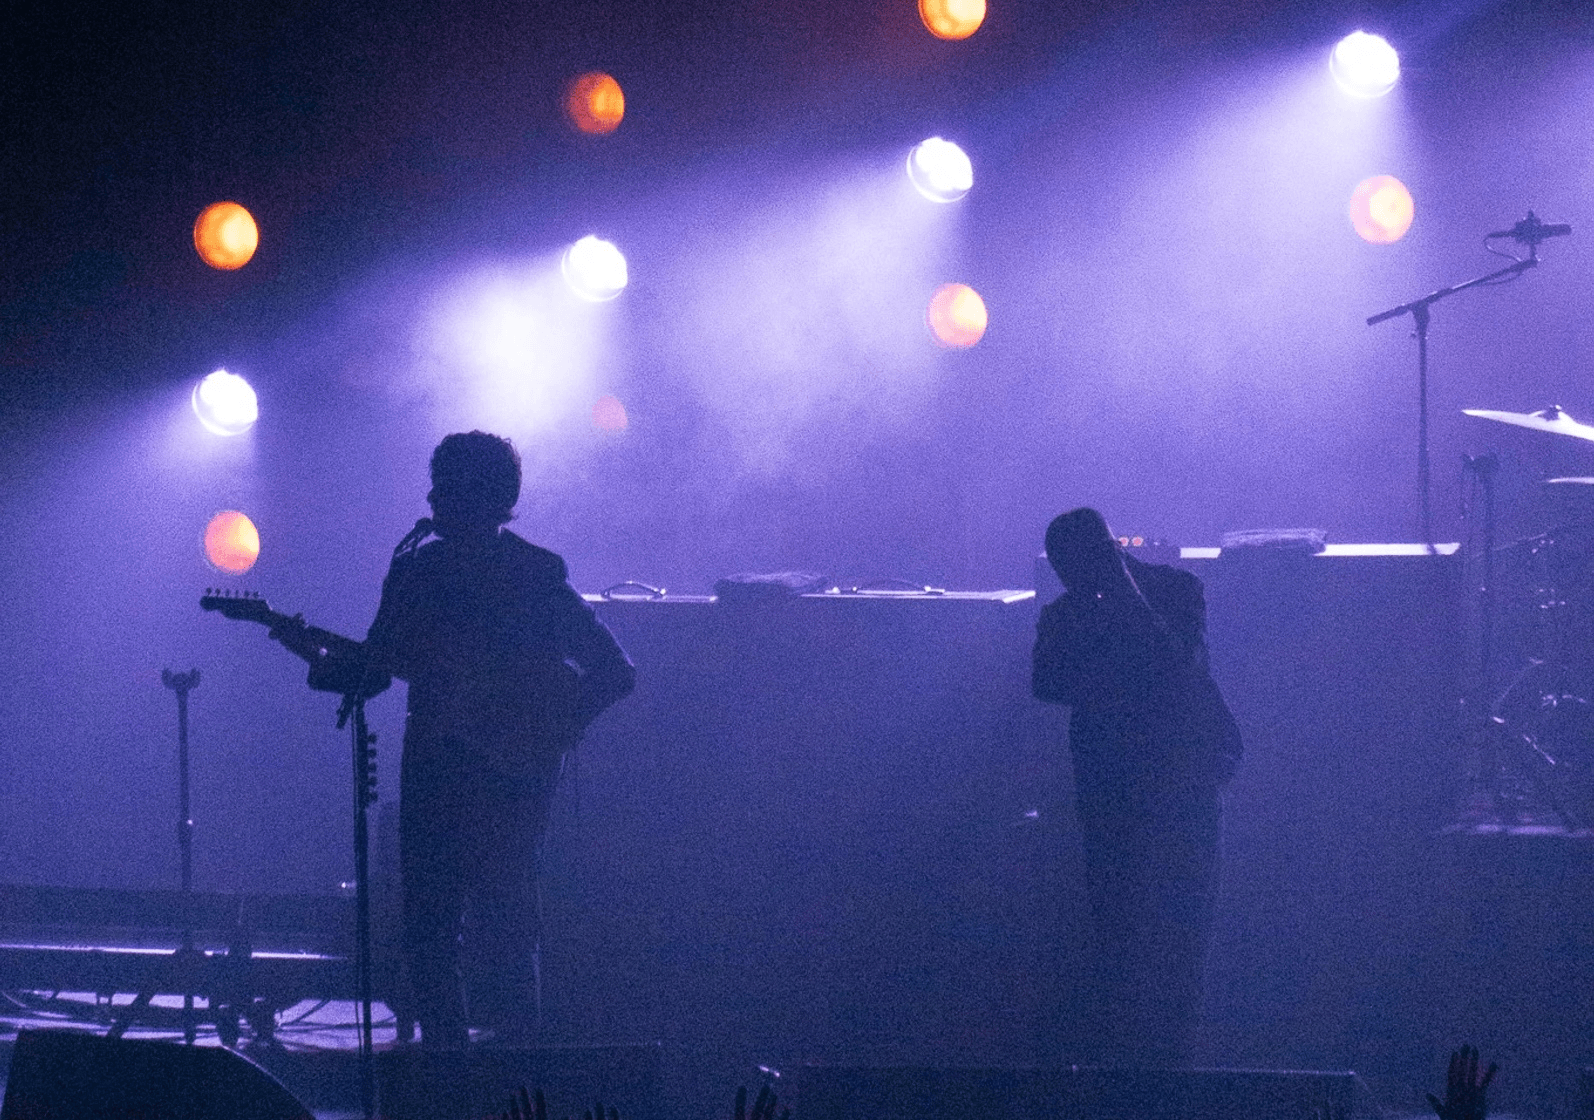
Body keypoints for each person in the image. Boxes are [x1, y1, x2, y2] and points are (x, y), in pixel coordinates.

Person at [352, 431, 634, 1048]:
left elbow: (615, 670)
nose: (431, 498)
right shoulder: (417, 571)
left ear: (481, 495)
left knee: (503, 925)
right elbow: (377, 667)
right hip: (435, 771)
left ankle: (516, 1071)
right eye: (434, 484)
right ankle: (448, 1066)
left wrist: (545, 731)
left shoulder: (535, 575)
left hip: (507, 780)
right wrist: (320, 657)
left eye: (445, 486)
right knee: (430, 927)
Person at [1031, 507, 1240, 1067]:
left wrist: (1124, 596)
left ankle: (1177, 1063)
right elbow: (1045, 682)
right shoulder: (1065, 615)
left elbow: (1175, 661)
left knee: (1184, 930)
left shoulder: (1177, 590)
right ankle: (1125, 1062)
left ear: (1108, 552)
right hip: (1113, 795)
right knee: (1117, 931)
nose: (1068, 581)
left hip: (1182, 785)